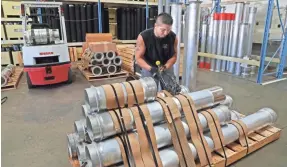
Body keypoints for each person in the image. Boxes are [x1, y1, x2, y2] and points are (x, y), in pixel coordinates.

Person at [135, 13, 178, 90]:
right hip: (149, 67)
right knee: (148, 93)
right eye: (163, 30)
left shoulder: (173, 37)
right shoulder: (143, 37)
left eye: (168, 30)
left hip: (165, 67)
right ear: (155, 26)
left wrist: (166, 66)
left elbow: (174, 56)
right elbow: (138, 58)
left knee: (171, 91)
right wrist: (151, 69)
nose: (166, 33)